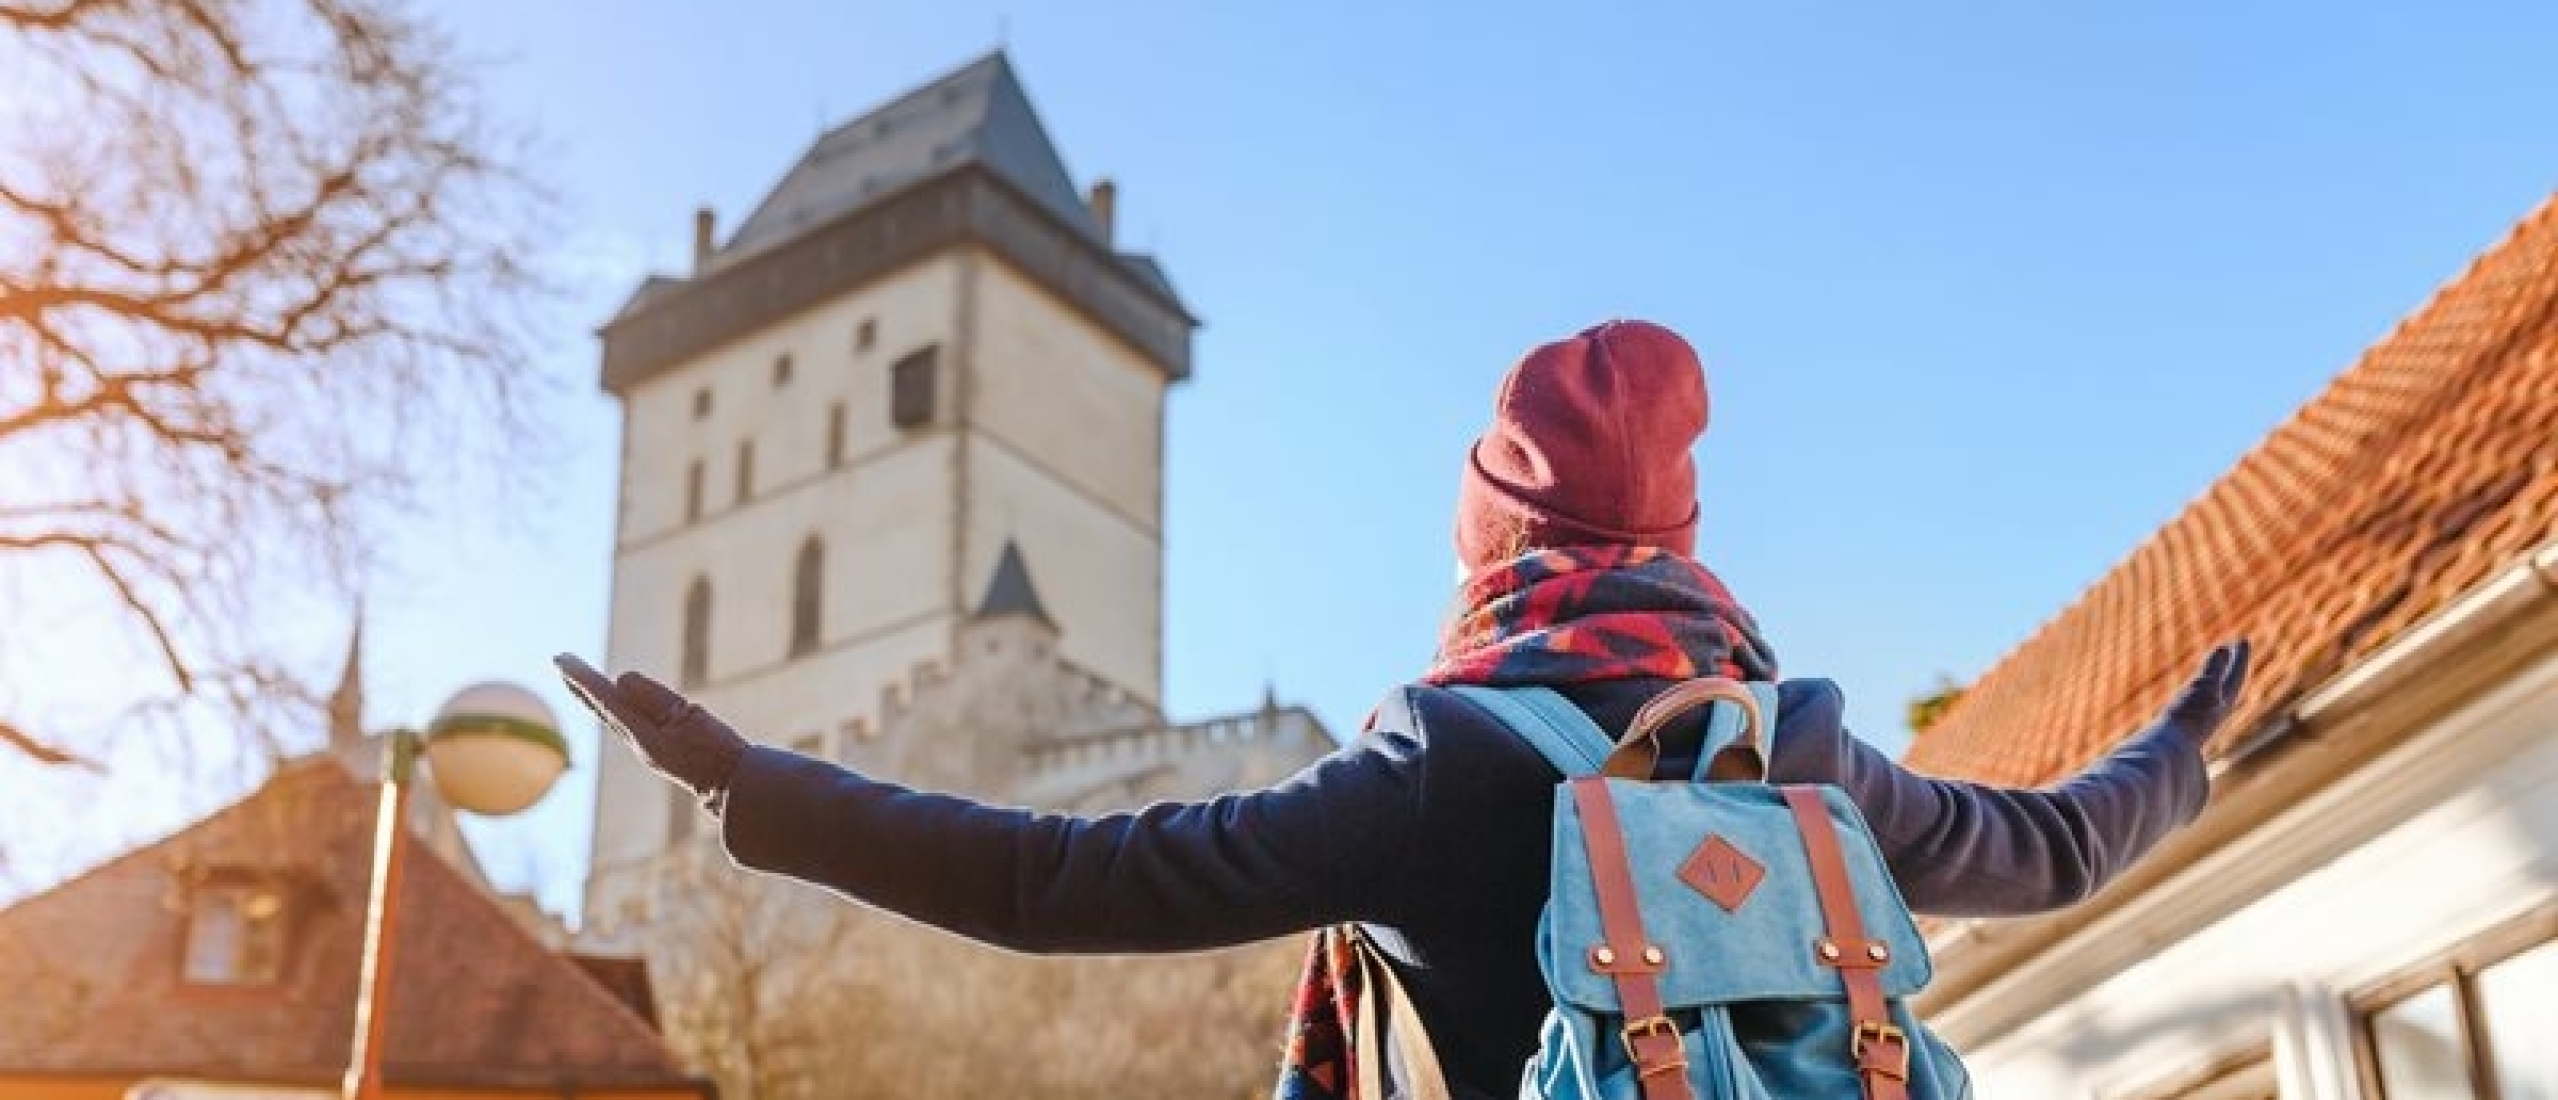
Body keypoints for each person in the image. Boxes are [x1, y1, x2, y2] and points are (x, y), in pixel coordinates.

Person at [558, 319, 2250, 1100]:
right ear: (1679, 541)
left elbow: (1052, 884)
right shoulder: (1797, 753)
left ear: (1487, 544)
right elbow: (2059, 848)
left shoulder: (1440, 771)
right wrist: (2182, 745)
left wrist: (748, 786)